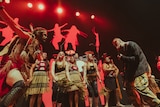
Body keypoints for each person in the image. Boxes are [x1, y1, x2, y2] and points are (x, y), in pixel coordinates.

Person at [0, 6, 48, 107]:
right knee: (20, 84)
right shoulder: (28, 37)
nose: (45, 37)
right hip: (11, 65)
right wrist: (2, 10)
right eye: (43, 34)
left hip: (20, 69)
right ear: (37, 34)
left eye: (46, 35)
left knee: (20, 92)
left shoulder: (38, 47)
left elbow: (36, 62)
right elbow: (14, 26)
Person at [112, 38, 160, 107]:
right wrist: (126, 77)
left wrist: (123, 57)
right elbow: (128, 64)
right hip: (132, 73)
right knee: (129, 89)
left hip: (139, 71)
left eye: (117, 46)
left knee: (140, 87)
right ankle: (138, 105)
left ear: (119, 42)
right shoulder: (124, 50)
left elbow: (136, 59)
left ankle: (157, 103)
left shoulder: (131, 45)